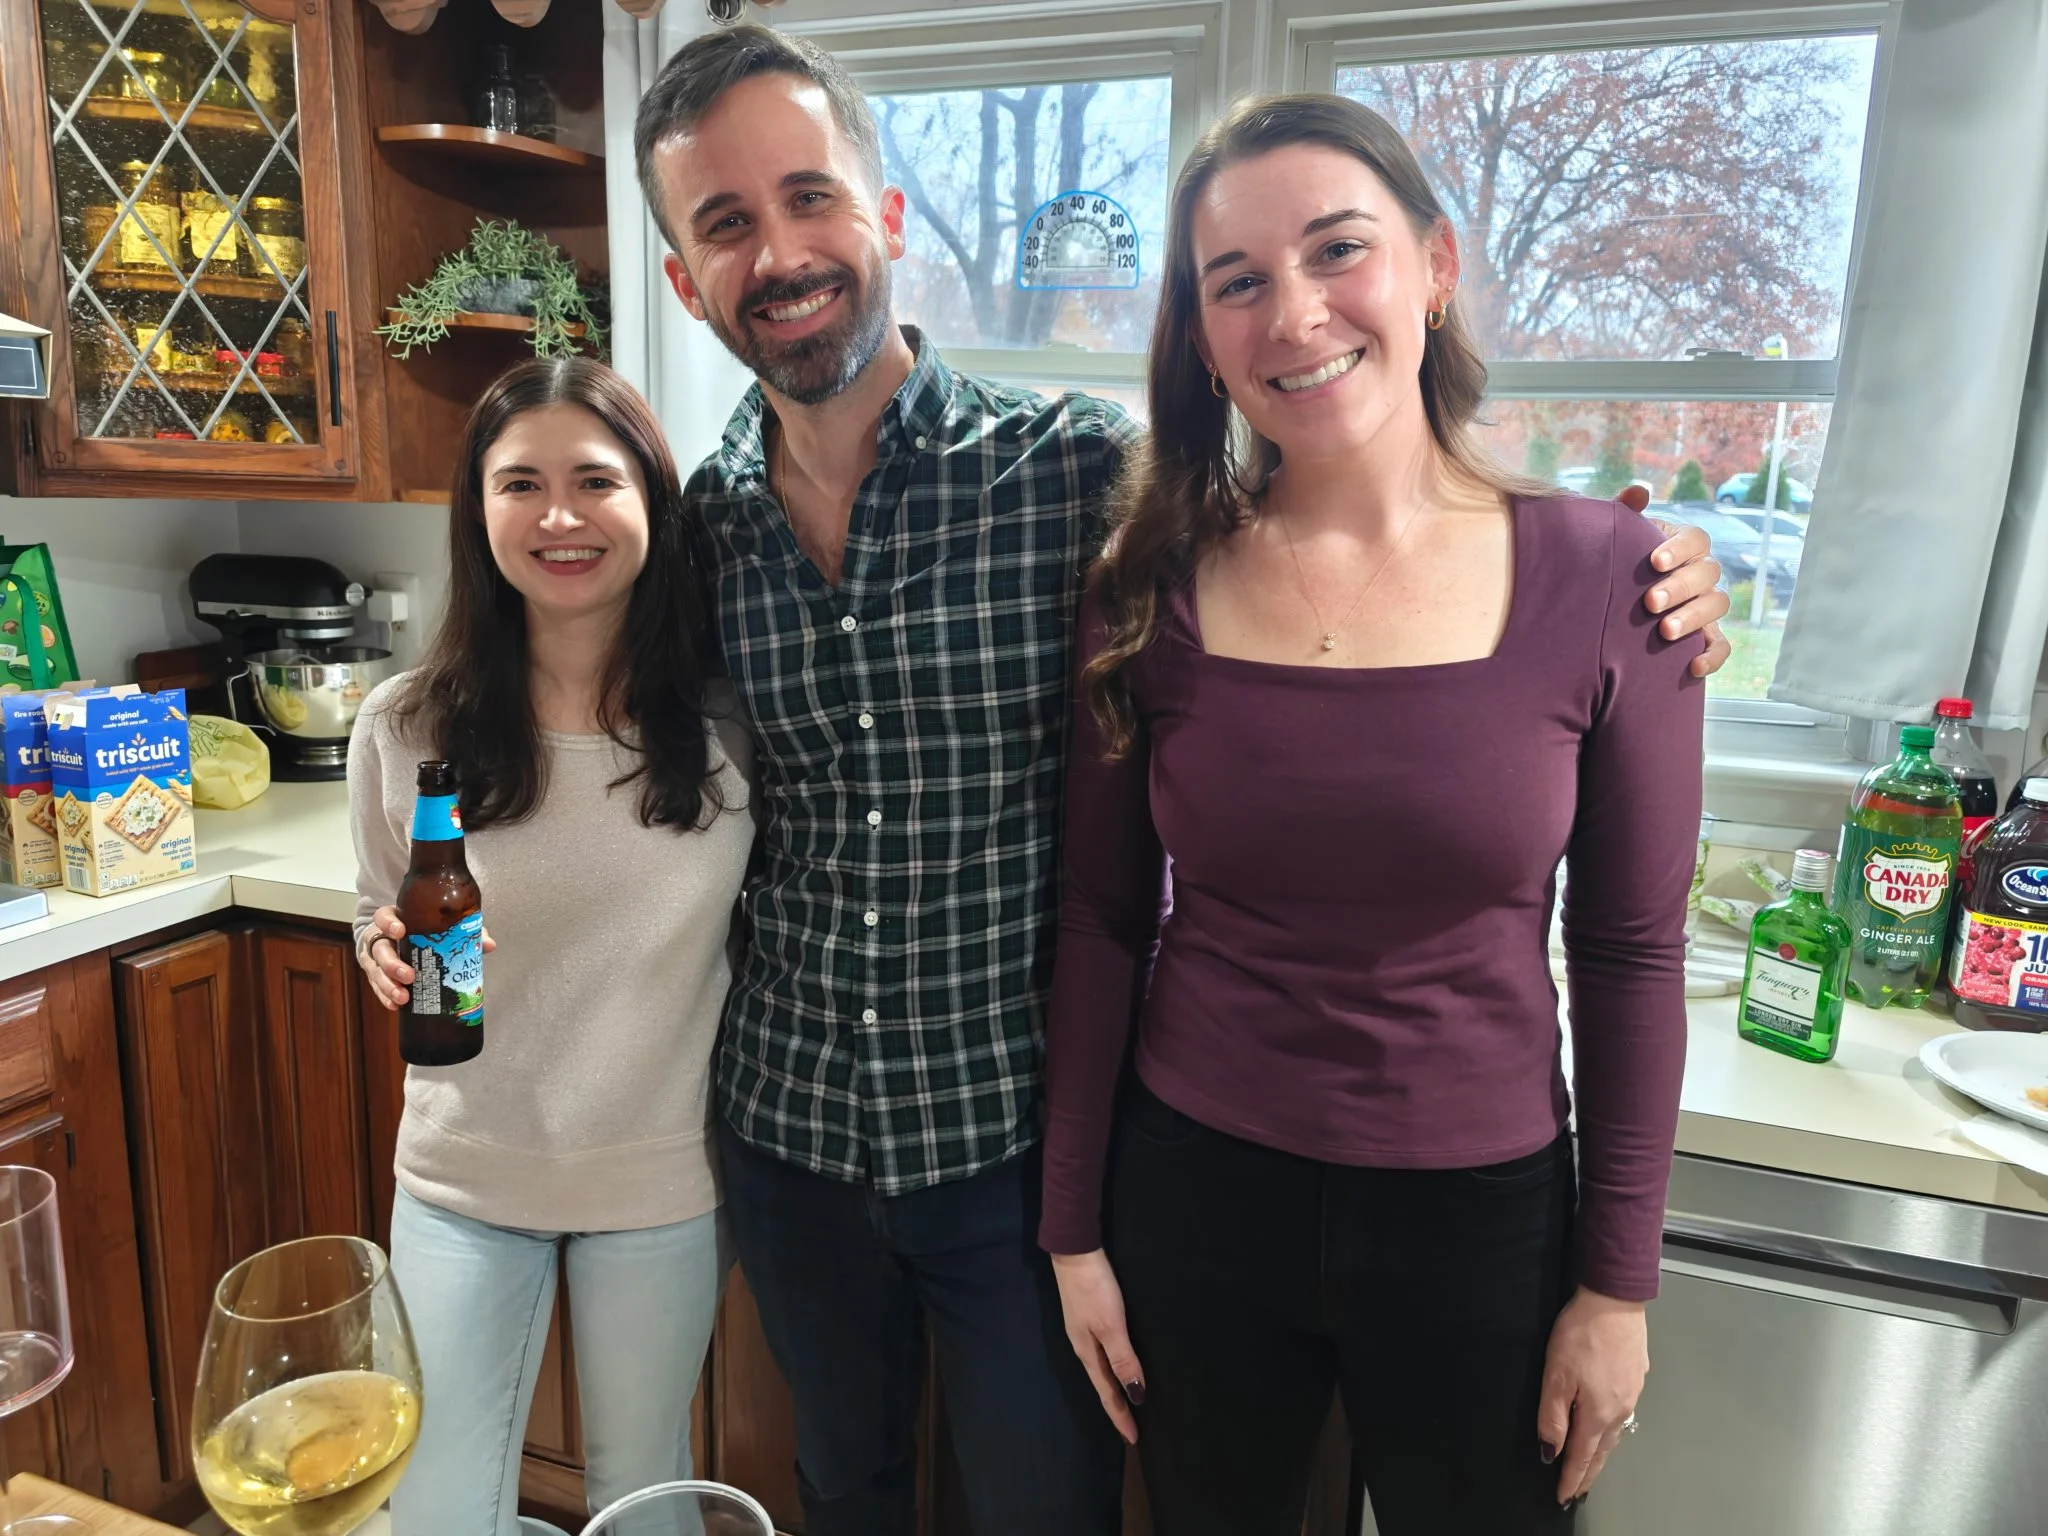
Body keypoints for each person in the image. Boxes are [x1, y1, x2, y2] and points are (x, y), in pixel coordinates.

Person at [631, 27, 1729, 1536]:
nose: (780, 250)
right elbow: (617, 747)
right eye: (726, 223)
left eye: (809, 195)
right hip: (798, 1124)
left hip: (1008, 1138)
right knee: (841, 1490)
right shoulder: (700, 534)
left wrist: (1642, 570)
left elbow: (1622, 934)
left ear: (885, 220)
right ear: (687, 282)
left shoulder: (1083, 484)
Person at [1039, 92, 1706, 1536]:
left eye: (1338, 251)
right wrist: (1074, 1230)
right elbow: (1098, 920)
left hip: (1483, 1220)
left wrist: (1617, 1283)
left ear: (1434, 266)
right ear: (1203, 332)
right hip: (1195, 1194)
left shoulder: (1618, 581)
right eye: (1238, 283)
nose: (1295, 315)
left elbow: (1634, 954)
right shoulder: (1144, 585)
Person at [349, 359, 753, 1536]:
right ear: (479, 513)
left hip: (662, 1180)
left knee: (646, 1497)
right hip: (465, 1174)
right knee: (432, 1509)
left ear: (650, 505)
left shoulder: (732, 729)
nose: (559, 516)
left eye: (595, 480)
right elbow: (381, 902)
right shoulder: (405, 722)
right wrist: (375, 948)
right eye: (520, 483)